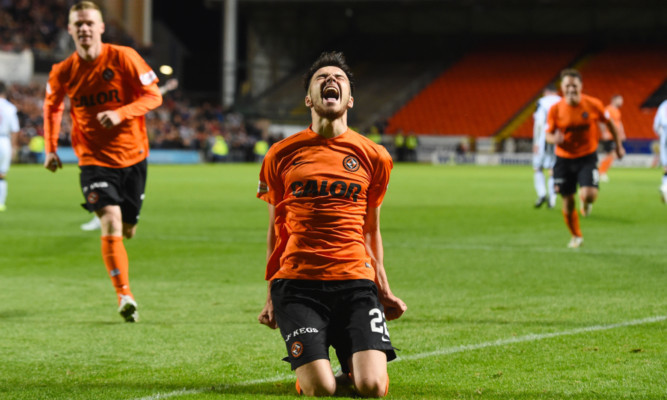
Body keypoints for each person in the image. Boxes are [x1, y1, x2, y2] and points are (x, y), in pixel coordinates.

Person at [256, 51, 407, 397]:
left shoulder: (374, 156)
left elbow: (371, 229)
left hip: (355, 284)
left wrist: (383, 288)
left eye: (339, 78)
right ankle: (319, 368)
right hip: (298, 287)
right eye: (321, 77)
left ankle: (346, 358)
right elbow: (276, 229)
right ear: (308, 98)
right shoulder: (280, 155)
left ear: (350, 99)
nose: (331, 81)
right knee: (321, 389)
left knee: (372, 387)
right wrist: (269, 295)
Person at [43, 1, 162, 322]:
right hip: (93, 159)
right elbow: (52, 107)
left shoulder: (124, 57)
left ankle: (125, 242)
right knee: (109, 218)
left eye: (89, 23)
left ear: (100, 27)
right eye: (77, 23)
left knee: (127, 229)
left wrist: (121, 112)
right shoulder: (63, 71)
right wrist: (51, 148)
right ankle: (124, 294)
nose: (83, 28)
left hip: (134, 155)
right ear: (70, 30)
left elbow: (154, 95)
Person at [79, 78, 178, 232]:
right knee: (106, 199)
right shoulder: (101, 95)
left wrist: (165, 88)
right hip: (104, 154)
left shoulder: (133, 97)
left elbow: (152, 96)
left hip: (131, 154)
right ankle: (103, 217)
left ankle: (113, 218)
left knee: (128, 228)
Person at [546, 69, 624, 248]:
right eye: (567, 85)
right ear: (562, 87)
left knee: (590, 195)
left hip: (587, 156)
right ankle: (576, 235)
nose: (571, 88)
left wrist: (619, 146)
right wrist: (554, 139)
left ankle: (586, 202)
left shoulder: (593, 104)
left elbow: (610, 123)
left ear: (581, 86)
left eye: (575, 85)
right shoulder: (555, 110)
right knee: (567, 200)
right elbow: (548, 134)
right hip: (563, 158)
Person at [532, 85, 561, 209]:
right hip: (558, 138)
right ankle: (552, 199)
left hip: (544, 138)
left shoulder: (542, 102)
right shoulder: (562, 101)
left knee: (537, 168)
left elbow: (539, 123)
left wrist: (536, 142)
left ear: (546, 92)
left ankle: (542, 194)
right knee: (553, 169)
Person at [0, 81, 20, 212]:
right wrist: (14, 147)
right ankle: (0, 203)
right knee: (1, 174)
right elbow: (14, 129)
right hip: (4, 141)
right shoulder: (10, 108)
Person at [598, 94, 626, 182]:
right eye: (620, 100)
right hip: (610, 135)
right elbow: (601, 121)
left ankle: (601, 171)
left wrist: (622, 133)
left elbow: (619, 123)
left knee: (613, 154)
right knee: (613, 154)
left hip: (615, 136)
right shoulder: (608, 109)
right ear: (614, 100)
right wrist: (604, 132)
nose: (622, 102)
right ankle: (601, 172)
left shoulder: (617, 111)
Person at [653, 98, 667, 202]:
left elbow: (656, 125)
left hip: (665, 135)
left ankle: (665, 185)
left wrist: (661, 135)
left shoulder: (663, 105)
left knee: (666, 164)